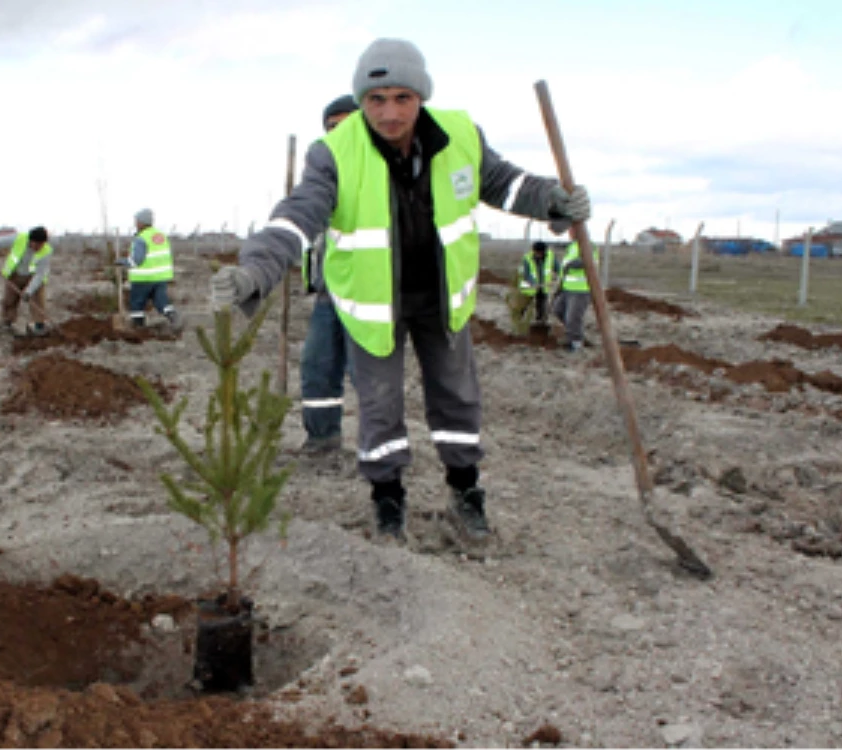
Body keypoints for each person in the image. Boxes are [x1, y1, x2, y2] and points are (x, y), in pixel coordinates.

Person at [210, 38, 590, 544]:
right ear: (361, 101)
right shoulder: (335, 154)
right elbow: (298, 216)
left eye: (402, 98)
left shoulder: (459, 135)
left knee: (457, 400)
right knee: (380, 406)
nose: (389, 112)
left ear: (421, 96)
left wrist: (554, 200)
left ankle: (465, 491)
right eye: (376, 99)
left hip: (440, 297)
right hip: (373, 306)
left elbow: (503, 183)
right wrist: (256, 269)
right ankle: (388, 500)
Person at [298, 94, 360, 454]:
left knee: (365, 373)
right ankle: (322, 439)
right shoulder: (322, 176)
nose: (337, 133)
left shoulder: (373, 176)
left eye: (345, 124)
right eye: (330, 126)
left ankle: (380, 445)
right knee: (317, 365)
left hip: (367, 294)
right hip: (327, 294)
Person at [0, 225, 53, 336]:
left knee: (38, 300)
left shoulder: (46, 252)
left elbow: (40, 275)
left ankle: (39, 325)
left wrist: (29, 291)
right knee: (9, 301)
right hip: (15, 274)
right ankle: (8, 323)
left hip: (33, 276)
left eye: (42, 244)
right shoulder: (18, 238)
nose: (39, 247)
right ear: (31, 240)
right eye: (37, 244)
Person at [121, 208, 177, 328]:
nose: (135, 223)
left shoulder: (141, 238)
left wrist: (123, 262)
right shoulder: (161, 236)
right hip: (161, 277)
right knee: (161, 301)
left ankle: (138, 326)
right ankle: (173, 316)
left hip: (143, 277)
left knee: (137, 303)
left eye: (136, 221)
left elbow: (137, 260)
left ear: (142, 222)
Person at [552, 239, 595, 352]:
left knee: (573, 317)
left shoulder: (588, 245)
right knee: (558, 310)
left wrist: (571, 265)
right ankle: (576, 332)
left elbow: (587, 261)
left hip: (580, 289)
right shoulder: (572, 246)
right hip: (567, 287)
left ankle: (575, 343)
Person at [514, 240, 559, 327]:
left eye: (541, 253)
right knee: (523, 304)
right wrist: (533, 282)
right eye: (537, 253)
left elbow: (558, 268)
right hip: (529, 287)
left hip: (543, 287)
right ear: (534, 251)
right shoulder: (527, 258)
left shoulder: (550, 256)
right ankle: (517, 320)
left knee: (542, 304)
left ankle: (541, 322)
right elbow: (526, 273)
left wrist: (559, 278)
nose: (539, 255)